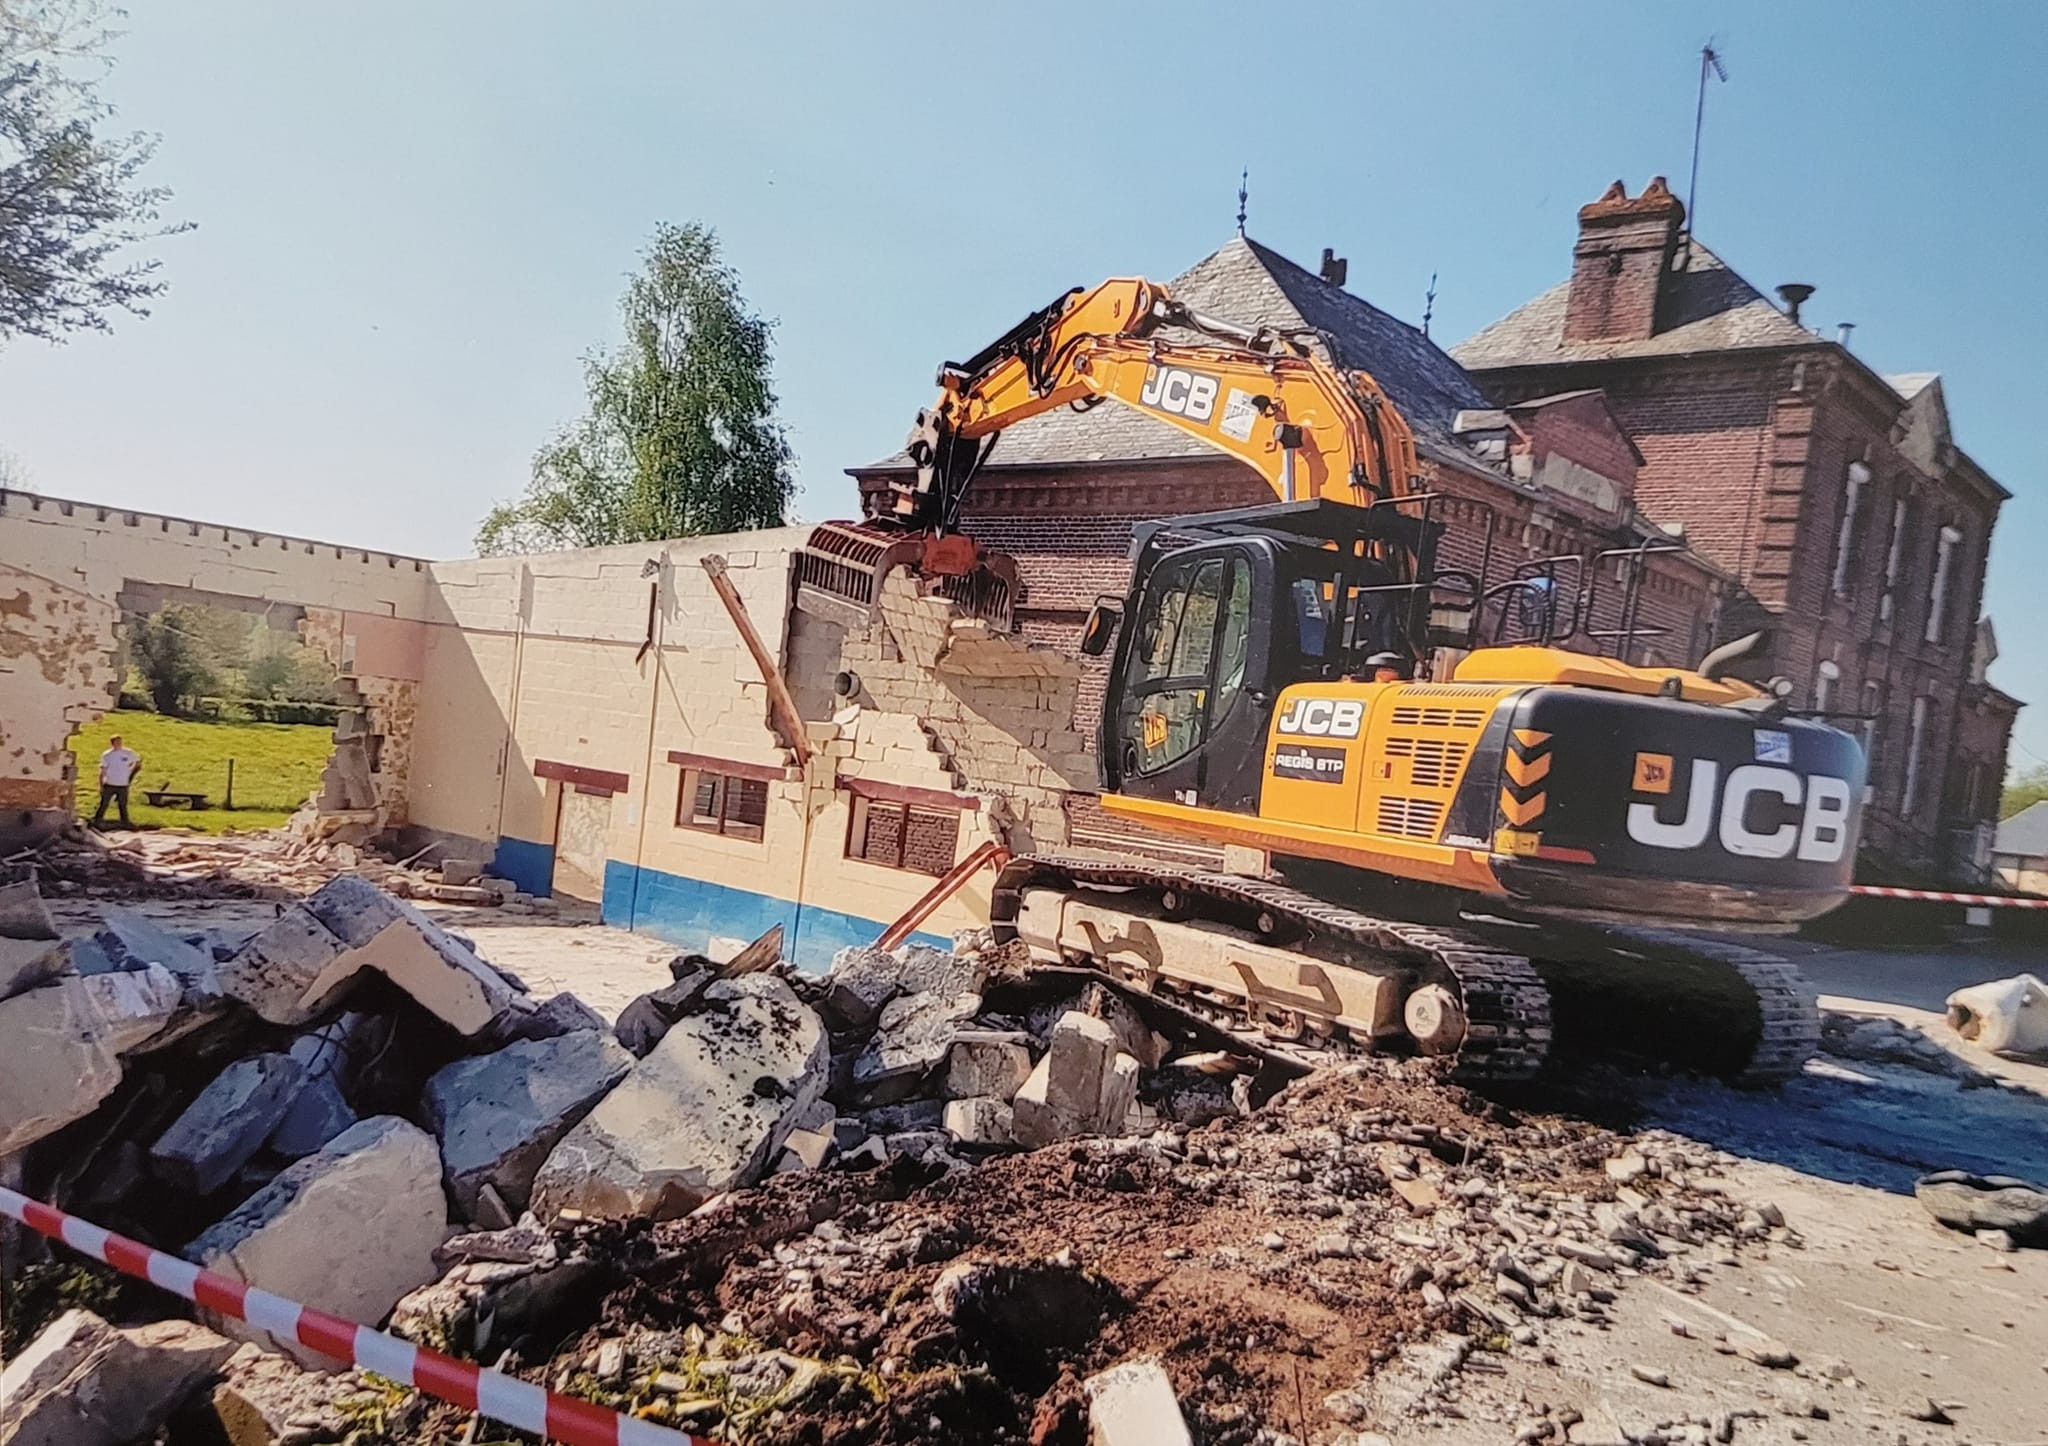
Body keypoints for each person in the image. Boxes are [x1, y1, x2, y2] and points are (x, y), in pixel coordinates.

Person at [93, 734, 141, 828]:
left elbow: (138, 762)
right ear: (112, 743)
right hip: (110, 783)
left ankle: (125, 822)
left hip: (123, 784)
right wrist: (101, 784)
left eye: (120, 741)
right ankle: (97, 820)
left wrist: (131, 771)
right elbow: (103, 769)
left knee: (123, 804)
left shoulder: (128, 752)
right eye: (116, 742)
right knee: (104, 803)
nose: (119, 744)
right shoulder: (107, 755)